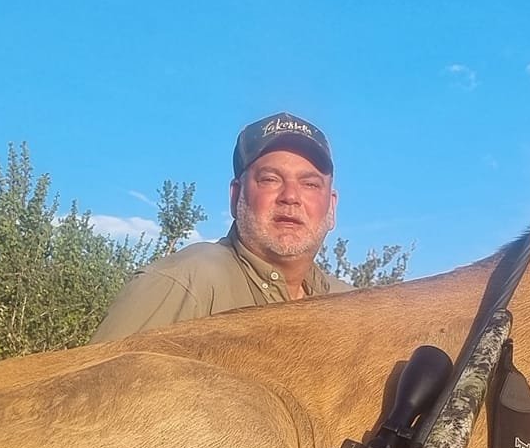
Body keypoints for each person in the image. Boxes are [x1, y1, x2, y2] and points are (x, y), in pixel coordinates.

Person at [92, 112, 345, 341]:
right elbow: (94, 387)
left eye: (310, 184)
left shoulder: (347, 304)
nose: (290, 196)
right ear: (236, 197)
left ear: (331, 207)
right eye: (269, 179)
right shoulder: (183, 283)